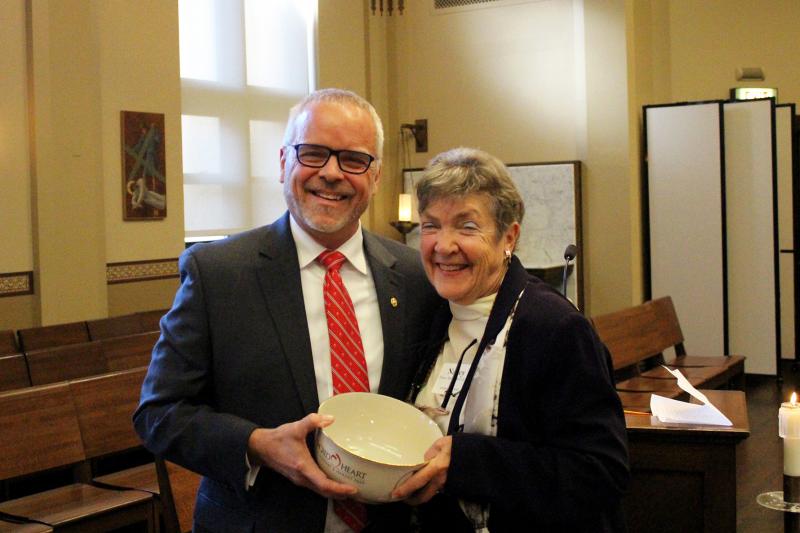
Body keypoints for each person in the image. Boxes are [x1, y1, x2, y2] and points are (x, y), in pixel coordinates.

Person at [133, 88, 440, 533]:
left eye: (353, 160)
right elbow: (159, 413)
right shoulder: (219, 274)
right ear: (283, 163)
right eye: (313, 153)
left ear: (375, 177)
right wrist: (256, 444)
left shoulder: (415, 276)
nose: (331, 173)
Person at [392, 147, 629, 532]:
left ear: (509, 237)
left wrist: (466, 463)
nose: (443, 245)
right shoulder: (430, 314)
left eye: (467, 227)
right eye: (431, 225)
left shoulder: (554, 328)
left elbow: (600, 473)